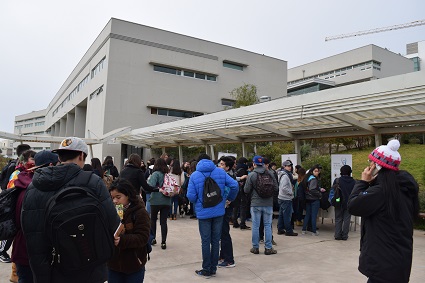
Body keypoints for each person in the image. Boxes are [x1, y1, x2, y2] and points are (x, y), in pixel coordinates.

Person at [21, 137, 120, 283]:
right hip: (89, 268)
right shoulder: (93, 182)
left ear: (59, 156)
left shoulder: (34, 187)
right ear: (81, 155)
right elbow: (114, 226)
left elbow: (30, 234)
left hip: (52, 271)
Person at [348, 140, 419, 283]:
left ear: (377, 166)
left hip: (382, 265)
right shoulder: (403, 188)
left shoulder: (381, 192)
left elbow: (353, 206)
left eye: (371, 162)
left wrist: (362, 182)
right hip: (399, 262)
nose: (369, 166)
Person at [187, 154, 238, 279]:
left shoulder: (194, 175)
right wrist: (229, 198)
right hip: (219, 211)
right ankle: (213, 268)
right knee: (216, 240)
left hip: (203, 213)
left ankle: (206, 269)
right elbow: (235, 185)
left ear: (198, 162)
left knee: (205, 241)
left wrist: (199, 201)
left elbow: (191, 196)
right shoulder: (220, 172)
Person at [11, 150, 59, 283]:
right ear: (51, 165)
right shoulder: (42, 189)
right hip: (38, 251)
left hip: (21, 248)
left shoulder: (21, 183)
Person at [108, 178, 151, 283]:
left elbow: (143, 237)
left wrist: (122, 240)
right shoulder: (112, 211)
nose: (115, 201)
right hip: (113, 266)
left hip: (134, 265)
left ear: (128, 195)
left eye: (118, 197)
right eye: (112, 198)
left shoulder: (140, 212)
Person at [244, 156, 278, 256]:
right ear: (263, 164)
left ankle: (255, 247)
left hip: (255, 204)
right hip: (268, 203)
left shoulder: (252, 175)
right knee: (267, 225)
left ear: (254, 164)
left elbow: (246, 190)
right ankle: (268, 248)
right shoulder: (271, 173)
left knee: (255, 225)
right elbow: (276, 188)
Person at [147, 158, 172, 250]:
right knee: (163, 222)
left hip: (155, 200)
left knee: (153, 220)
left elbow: (150, 185)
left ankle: (153, 238)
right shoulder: (167, 175)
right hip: (166, 201)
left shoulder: (155, 174)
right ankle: (163, 242)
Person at [217, 156, 237, 268]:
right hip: (225, 207)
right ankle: (223, 255)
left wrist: (228, 200)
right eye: (220, 164)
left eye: (222, 164)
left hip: (225, 207)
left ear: (228, 167)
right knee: (222, 233)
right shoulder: (230, 175)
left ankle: (229, 260)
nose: (220, 166)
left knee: (224, 233)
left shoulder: (227, 177)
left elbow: (232, 189)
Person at [301, 164, 325, 236]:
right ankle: (314, 231)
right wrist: (319, 194)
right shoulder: (314, 179)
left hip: (308, 199)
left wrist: (319, 188)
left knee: (307, 215)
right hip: (314, 199)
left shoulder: (307, 178)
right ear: (312, 171)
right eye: (316, 171)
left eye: (318, 171)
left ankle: (304, 229)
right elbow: (312, 189)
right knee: (314, 216)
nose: (317, 172)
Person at [333, 165, 355, 240]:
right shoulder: (354, 182)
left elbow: (333, 191)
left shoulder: (337, 181)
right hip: (349, 203)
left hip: (338, 202)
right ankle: (345, 235)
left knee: (338, 218)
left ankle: (337, 235)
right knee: (347, 219)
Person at [277, 160, 298, 236]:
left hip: (281, 197)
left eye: (290, 166)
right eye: (288, 166)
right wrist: (291, 192)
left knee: (282, 214)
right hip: (286, 198)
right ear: (284, 167)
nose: (290, 167)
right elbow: (284, 188)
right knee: (287, 215)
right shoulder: (285, 176)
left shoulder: (281, 174)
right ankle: (289, 231)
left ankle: (280, 229)